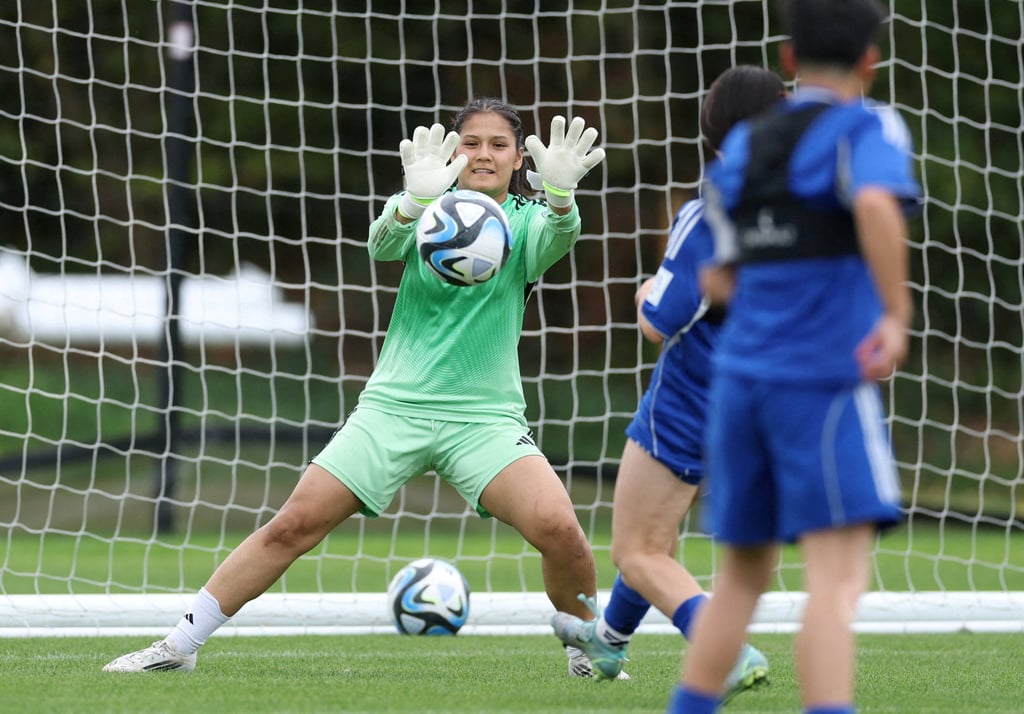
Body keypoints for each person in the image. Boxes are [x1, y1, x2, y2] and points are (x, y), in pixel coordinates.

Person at [102, 98, 608, 677]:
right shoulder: (425, 203)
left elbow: (559, 237)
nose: (484, 154)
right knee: (294, 524)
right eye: (472, 142)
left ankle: (588, 652)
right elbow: (380, 245)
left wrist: (562, 198)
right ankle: (179, 646)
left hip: (484, 419)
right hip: (394, 408)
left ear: (521, 159)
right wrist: (415, 201)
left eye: (498, 145)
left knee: (561, 529)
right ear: (452, 150)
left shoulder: (526, 221)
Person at [668, 1, 921, 712]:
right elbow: (875, 206)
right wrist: (895, 316)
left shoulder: (744, 147)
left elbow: (717, 276)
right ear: (871, 61)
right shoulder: (866, 127)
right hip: (822, 384)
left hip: (740, 383)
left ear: (787, 58)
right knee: (835, 585)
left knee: (741, 580)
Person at [548, 66, 783, 701]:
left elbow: (661, 320)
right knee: (661, 536)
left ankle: (723, 648)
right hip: (764, 403)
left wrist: (645, 292)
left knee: (636, 550)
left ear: (714, 128)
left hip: (691, 400)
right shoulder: (802, 204)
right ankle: (608, 640)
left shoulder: (711, 206)